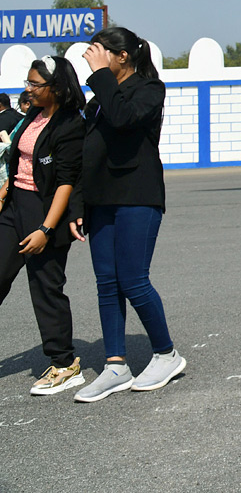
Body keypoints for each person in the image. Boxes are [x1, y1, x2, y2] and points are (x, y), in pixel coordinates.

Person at [69, 27, 186, 402]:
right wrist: (78, 205)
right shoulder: (98, 98)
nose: (93, 56)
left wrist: (100, 76)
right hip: (101, 199)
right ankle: (115, 365)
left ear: (123, 56)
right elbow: (87, 152)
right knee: (107, 282)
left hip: (138, 195)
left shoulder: (149, 90)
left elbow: (122, 118)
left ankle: (166, 354)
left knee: (134, 280)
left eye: (101, 51)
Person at [0, 56, 86, 395]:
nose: (28, 89)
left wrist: (46, 230)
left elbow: (66, 182)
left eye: (35, 84)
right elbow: (18, 158)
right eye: (28, 82)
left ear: (57, 88)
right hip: (14, 206)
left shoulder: (70, 125)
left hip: (45, 211)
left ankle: (65, 365)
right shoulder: (33, 114)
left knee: (45, 288)